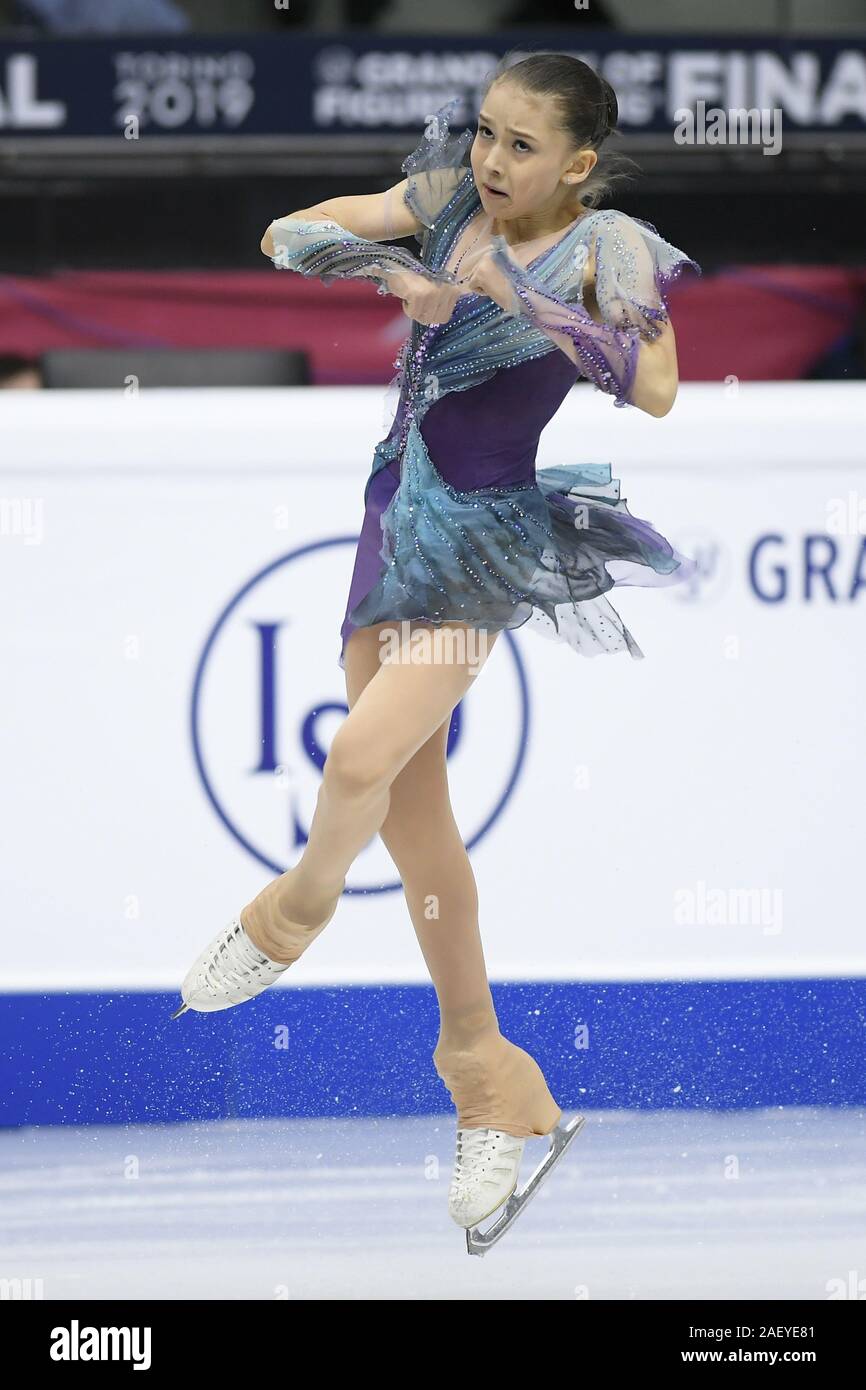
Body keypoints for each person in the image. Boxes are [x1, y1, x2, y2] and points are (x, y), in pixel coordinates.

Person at [173, 53, 701, 1236]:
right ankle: (489, 1081)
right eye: (485, 134)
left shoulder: (602, 245)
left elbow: (656, 385)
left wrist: (512, 301)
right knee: (421, 839)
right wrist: (397, 271)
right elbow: (288, 233)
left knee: (357, 763)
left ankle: (288, 917)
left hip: (482, 541)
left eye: (522, 147)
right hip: (389, 515)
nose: (491, 160)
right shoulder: (451, 200)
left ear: (575, 164)